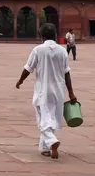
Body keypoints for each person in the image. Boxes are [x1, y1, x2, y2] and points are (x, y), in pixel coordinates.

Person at [16, 23, 78, 160]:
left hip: (43, 90)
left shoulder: (38, 50)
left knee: (42, 118)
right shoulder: (62, 51)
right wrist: (71, 93)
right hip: (59, 90)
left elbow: (28, 69)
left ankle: (51, 141)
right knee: (52, 117)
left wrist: (20, 81)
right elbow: (67, 73)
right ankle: (45, 148)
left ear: (41, 36)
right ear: (55, 35)